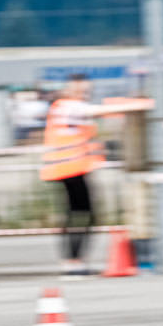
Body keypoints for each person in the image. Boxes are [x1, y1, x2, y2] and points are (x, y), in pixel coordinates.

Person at [39, 75, 133, 276]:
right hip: (69, 170)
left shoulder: (67, 107)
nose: (84, 95)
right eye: (80, 91)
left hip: (74, 169)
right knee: (82, 215)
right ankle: (72, 261)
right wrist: (137, 105)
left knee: (80, 214)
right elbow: (96, 111)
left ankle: (73, 260)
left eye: (87, 91)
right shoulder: (67, 106)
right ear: (69, 90)